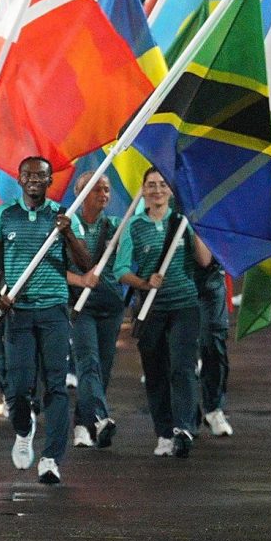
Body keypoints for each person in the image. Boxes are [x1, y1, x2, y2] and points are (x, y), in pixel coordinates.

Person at [0, 153, 90, 484]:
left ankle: (51, 458)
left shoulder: (63, 215)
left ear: (49, 181)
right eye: (27, 175)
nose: (34, 180)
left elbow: (86, 264)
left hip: (54, 310)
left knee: (56, 385)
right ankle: (23, 428)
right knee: (17, 387)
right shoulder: (3, 215)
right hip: (18, 311)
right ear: (19, 180)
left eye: (40, 176)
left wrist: (68, 234)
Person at [114, 168, 213, 458]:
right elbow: (121, 269)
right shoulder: (133, 226)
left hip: (184, 304)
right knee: (155, 370)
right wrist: (144, 282)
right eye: (151, 185)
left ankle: (183, 428)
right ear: (143, 190)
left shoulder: (181, 222)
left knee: (182, 367)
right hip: (150, 309)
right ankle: (164, 432)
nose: (157, 190)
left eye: (162, 185)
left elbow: (205, 260)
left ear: (170, 191)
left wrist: (195, 227)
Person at [62, 170, 125, 450]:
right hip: (80, 305)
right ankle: (100, 418)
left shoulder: (114, 228)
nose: (104, 195)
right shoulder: (65, 227)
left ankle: (81, 425)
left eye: (107, 190)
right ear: (80, 194)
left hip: (110, 304)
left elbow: (124, 264)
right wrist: (80, 280)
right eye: (97, 189)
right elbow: (53, 268)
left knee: (104, 368)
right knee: (88, 362)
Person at [194, 239, 235, 437]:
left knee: (213, 344)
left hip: (210, 283)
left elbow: (204, 259)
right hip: (177, 281)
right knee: (181, 352)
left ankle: (214, 409)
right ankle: (187, 413)